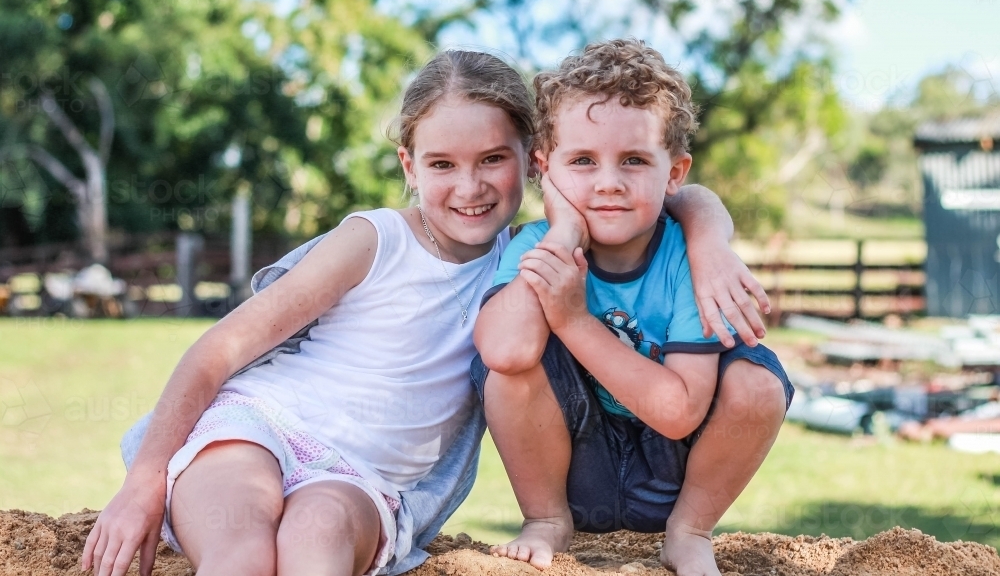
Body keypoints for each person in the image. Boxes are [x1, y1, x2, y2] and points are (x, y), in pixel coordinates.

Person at [82, 49, 770, 576]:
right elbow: (221, 348)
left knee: (315, 544)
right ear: (409, 165)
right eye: (443, 164)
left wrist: (709, 239)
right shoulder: (374, 239)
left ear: (533, 167)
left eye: (493, 160)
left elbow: (683, 193)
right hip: (258, 427)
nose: (469, 187)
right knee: (242, 553)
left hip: (357, 477)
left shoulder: (526, 259)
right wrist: (143, 482)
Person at [472, 39, 795, 576]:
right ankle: (546, 520)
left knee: (759, 383)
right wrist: (566, 231)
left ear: (675, 173)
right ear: (544, 168)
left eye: (634, 160)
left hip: (671, 468)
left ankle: (689, 534)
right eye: (581, 161)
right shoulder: (537, 244)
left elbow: (679, 413)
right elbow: (504, 350)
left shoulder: (689, 260)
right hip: (578, 459)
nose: (608, 183)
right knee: (508, 372)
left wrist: (573, 320)